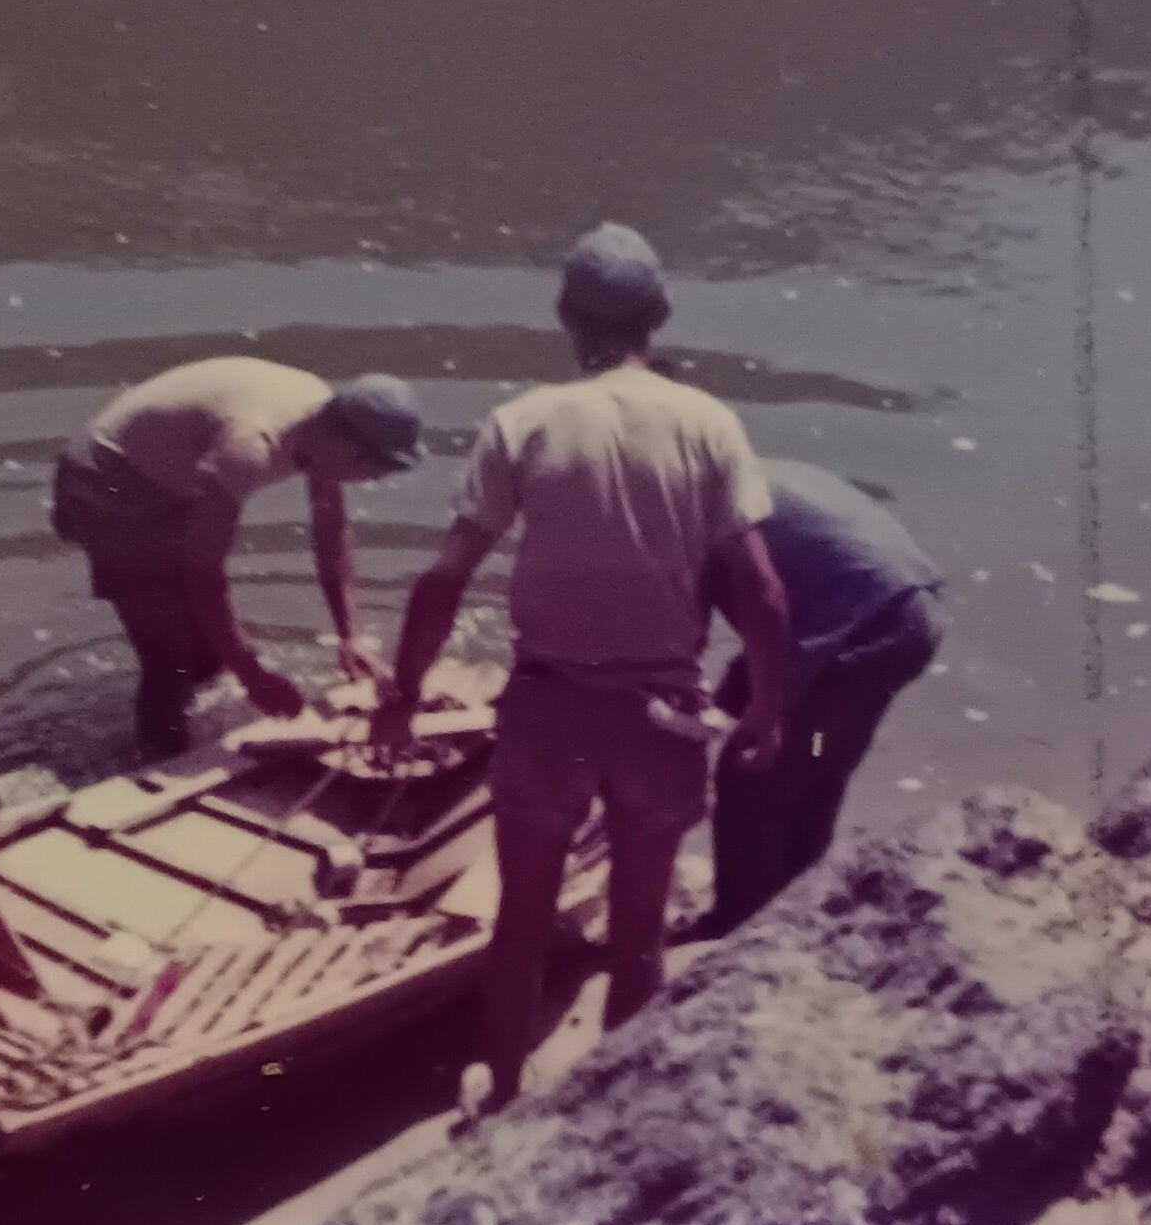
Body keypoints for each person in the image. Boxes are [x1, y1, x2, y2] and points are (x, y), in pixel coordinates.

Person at [378, 224, 793, 1118]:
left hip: (547, 712)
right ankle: (607, 1117)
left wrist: (400, 698)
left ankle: (499, 1092)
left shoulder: (520, 422)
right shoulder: (710, 424)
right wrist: (765, 707)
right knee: (637, 931)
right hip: (661, 719)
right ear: (663, 317)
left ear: (566, 317)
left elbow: (443, 578)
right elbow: (761, 590)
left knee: (520, 924)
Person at [50, 357, 428, 760]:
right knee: (169, 658)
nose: (373, 482)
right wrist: (252, 674)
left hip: (172, 475)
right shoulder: (249, 446)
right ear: (346, 449)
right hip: (105, 480)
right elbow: (203, 573)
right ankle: (153, 769)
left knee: (210, 657)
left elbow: (331, 531)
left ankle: (175, 735)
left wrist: (350, 636)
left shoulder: (324, 428)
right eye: (374, 471)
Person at [692, 459, 945, 937]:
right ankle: (799, 906)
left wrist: (757, 715)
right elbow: (772, 633)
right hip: (908, 616)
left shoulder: (701, 509)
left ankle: (740, 924)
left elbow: (737, 618)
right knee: (817, 763)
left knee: (754, 773)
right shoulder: (756, 474)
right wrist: (733, 700)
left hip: (866, 635)